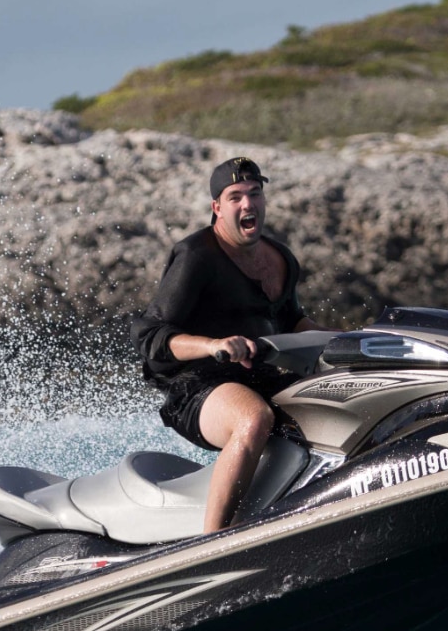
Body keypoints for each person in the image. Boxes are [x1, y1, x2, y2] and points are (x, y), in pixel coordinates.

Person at [131, 157, 330, 533]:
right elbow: (150, 336)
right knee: (253, 418)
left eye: (254, 194)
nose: (247, 204)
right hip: (194, 387)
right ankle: (214, 542)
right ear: (217, 208)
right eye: (235, 197)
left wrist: (346, 341)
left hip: (256, 375)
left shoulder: (279, 259)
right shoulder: (197, 257)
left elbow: (291, 321)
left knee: (330, 397)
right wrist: (213, 345)